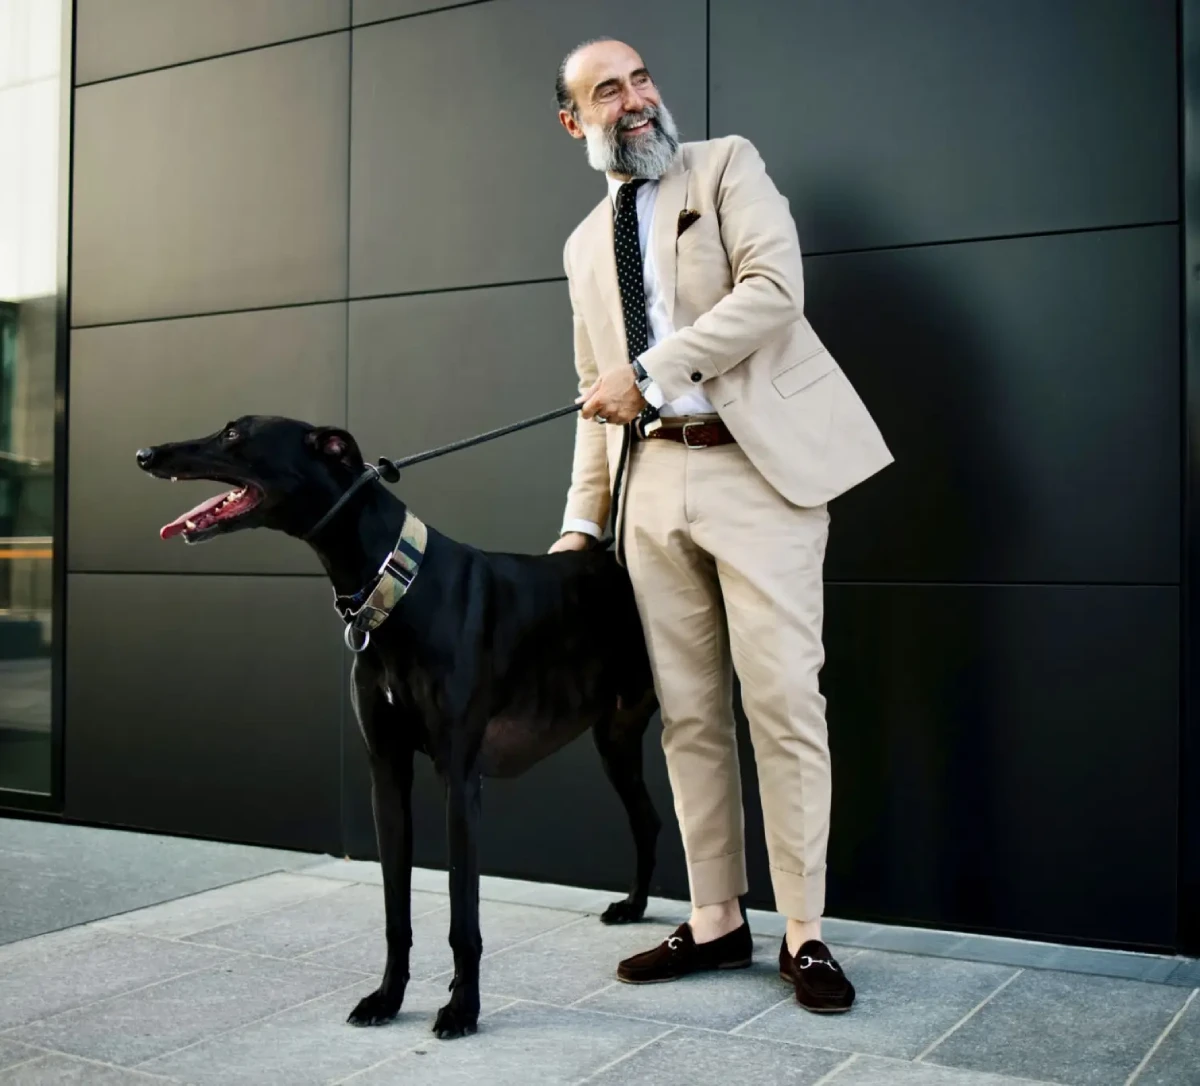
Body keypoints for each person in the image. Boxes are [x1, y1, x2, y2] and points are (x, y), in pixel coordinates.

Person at [548, 37, 892, 1014]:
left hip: (760, 473)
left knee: (784, 702)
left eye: (641, 77)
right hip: (652, 485)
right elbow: (591, 393)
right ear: (574, 122)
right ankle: (715, 920)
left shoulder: (728, 163)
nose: (637, 98)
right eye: (607, 91)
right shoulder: (582, 246)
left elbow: (775, 294)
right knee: (690, 714)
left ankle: (806, 933)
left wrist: (653, 374)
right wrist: (582, 522)